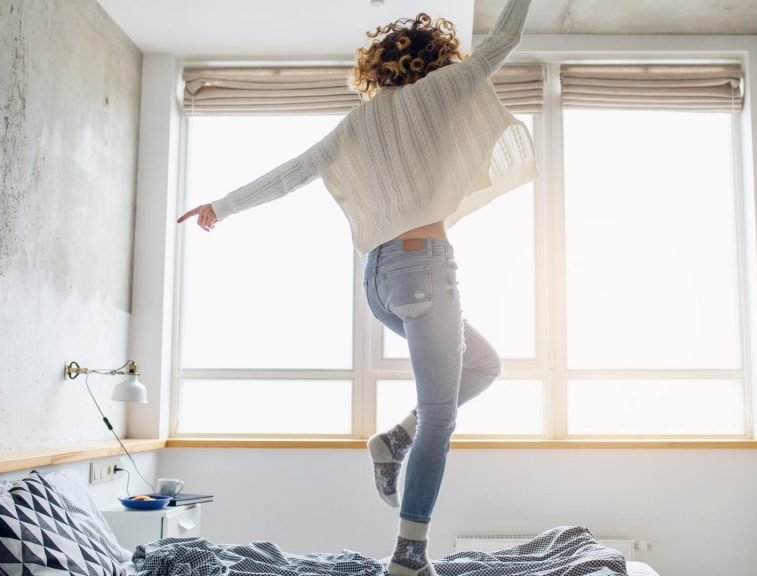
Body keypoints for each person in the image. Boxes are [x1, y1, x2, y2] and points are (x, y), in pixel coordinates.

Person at [177, 0, 535, 573]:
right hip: (424, 269)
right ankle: (409, 556)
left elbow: (293, 171)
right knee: (442, 418)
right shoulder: (444, 91)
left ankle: (395, 439)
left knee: (485, 365)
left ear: (381, 67)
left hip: (378, 283)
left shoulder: (360, 121)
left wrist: (221, 206)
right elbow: (504, 41)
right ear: (437, 59)